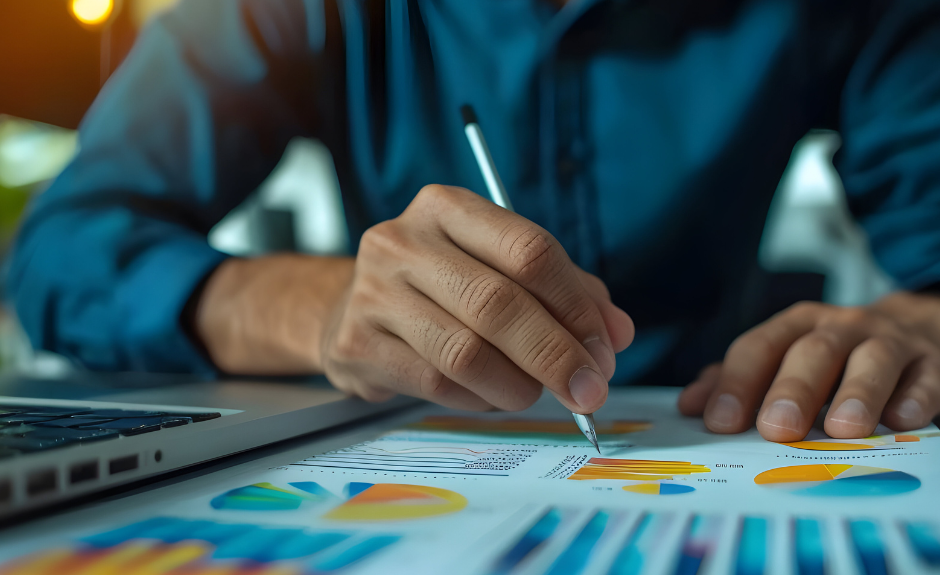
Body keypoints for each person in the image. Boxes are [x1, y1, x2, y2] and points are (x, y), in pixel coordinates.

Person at [9, 0, 940, 444]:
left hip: (723, 425)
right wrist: (319, 309)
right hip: (417, 438)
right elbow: (62, 250)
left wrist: (916, 325)